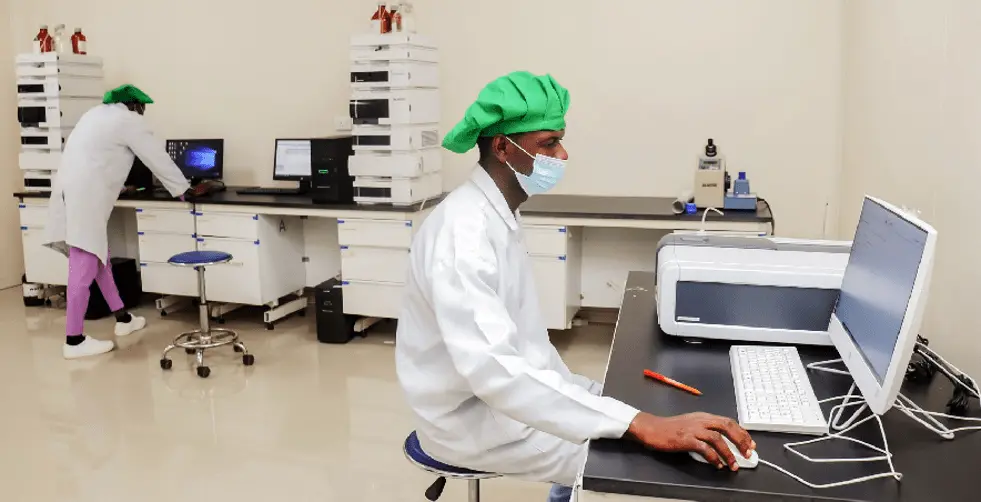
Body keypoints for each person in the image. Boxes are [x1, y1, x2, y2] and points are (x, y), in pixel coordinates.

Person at [395, 71, 755, 502]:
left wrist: (615, 408)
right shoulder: (463, 235)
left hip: (505, 401)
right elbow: (496, 372)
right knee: (643, 458)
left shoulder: (497, 215)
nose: (562, 155)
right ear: (503, 147)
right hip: (470, 424)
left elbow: (525, 348)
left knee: (634, 413)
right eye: (549, 143)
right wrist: (639, 424)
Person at [46, 84, 191, 359]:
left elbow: (95, 159)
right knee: (83, 264)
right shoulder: (128, 119)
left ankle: (123, 319)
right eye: (142, 108)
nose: (142, 113)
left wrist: (115, 186)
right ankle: (74, 340)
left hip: (71, 192)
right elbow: (156, 156)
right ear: (134, 105)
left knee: (101, 259)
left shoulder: (94, 115)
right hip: (86, 199)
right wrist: (182, 188)